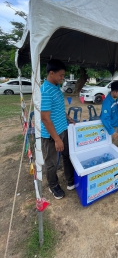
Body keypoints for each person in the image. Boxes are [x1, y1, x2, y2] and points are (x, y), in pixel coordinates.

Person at [41, 59, 75, 200]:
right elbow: (45, 118)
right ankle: (53, 185)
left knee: (68, 155)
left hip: (63, 129)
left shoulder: (56, 87)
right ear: (51, 73)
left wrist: (67, 117)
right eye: (61, 75)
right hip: (51, 135)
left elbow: (57, 108)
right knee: (51, 163)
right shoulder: (45, 90)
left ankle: (70, 179)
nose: (63, 78)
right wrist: (56, 139)